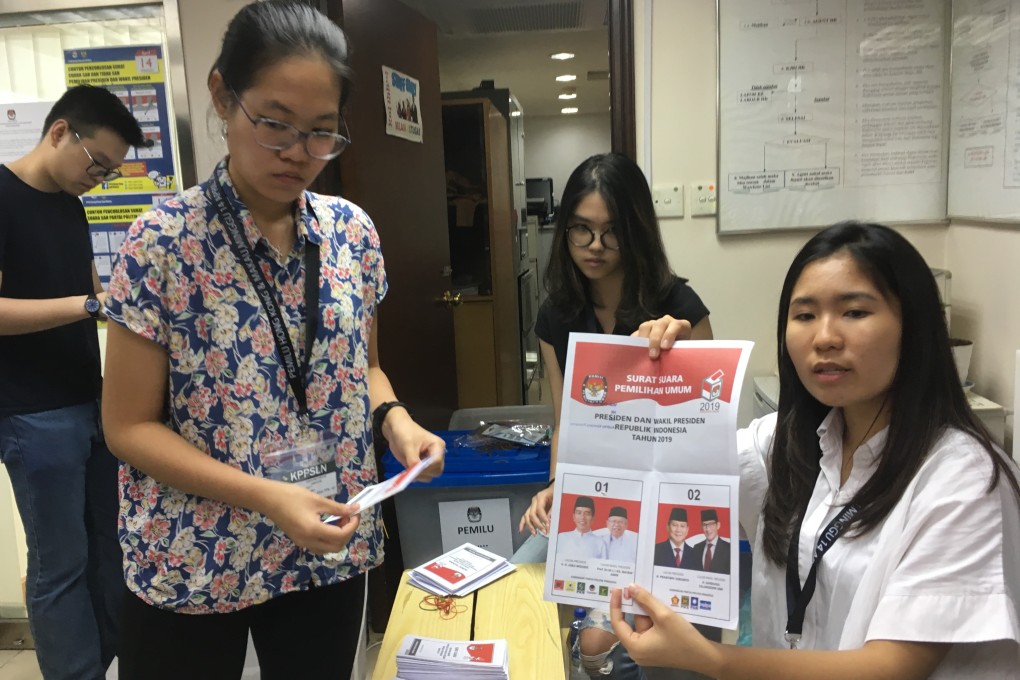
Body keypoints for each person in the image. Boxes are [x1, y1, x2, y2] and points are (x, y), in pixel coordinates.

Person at [100, 3, 444, 678]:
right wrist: (267, 496)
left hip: (324, 539)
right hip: (197, 553)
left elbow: (363, 367)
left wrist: (396, 421)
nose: (297, 153)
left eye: (321, 133)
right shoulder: (162, 242)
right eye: (274, 123)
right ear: (223, 96)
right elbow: (127, 427)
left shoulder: (353, 233)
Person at [610, 221, 1020, 679]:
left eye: (854, 312)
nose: (824, 337)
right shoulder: (787, 443)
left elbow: (892, 669)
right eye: (804, 315)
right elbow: (664, 470)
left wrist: (713, 661)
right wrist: (666, 380)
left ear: (915, 326)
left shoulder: (967, 480)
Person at [510, 152, 714, 679]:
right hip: (594, 496)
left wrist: (681, 348)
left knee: (629, 638)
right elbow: (567, 421)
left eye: (611, 232)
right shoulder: (557, 312)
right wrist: (556, 484)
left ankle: (599, 641)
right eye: (581, 230)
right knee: (516, 584)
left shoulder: (678, 307)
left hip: (664, 503)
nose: (595, 247)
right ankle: (588, 643)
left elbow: (708, 436)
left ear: (637, 231)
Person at [0, 85, 145, 679]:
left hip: (92, 403)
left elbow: (94, 298)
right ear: (60, 132)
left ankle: (107, 663)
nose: (99, 179)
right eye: (97, 165)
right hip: (33, 415)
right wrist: (90, 304)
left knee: (111, 555)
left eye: (109, 173)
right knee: (60, 564)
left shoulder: (69, 205)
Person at [690, 508, 730, 575]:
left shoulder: (728, 548)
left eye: (711, 524)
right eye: (704, 525)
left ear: (718, 525)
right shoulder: (696, 548)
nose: (708, 529)